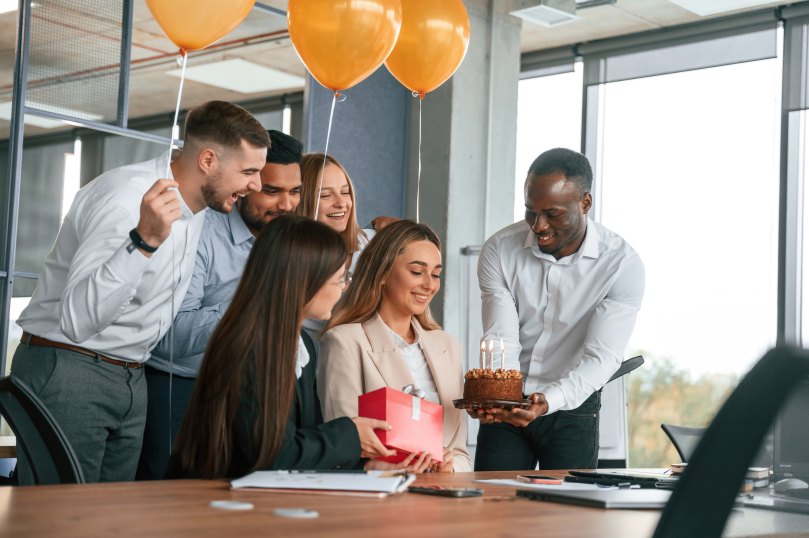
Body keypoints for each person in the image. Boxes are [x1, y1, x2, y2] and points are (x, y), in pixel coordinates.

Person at [10, 101, 270, 483]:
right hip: (69, 366)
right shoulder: (123, 198)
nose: (256, 186)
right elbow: (78, 320)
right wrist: (143, 240)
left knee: (114, 517)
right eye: (249, 171)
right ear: (209, 160)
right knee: (60, 518)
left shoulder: (201, 210)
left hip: (131, 375)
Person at [168, 215, 394, 479]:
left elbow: (303, 439)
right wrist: (350, 435)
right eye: (339, 279)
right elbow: (272, 455)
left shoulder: (300, 344)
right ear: (303, 281)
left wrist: (366, 466)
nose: (344, 289)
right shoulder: (250, 347)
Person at [136, 130, 304, 480]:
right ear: (247, 183)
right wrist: (255, 308)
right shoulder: (200, 232)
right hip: (180, 388)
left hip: (252, 393)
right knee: (167, 502)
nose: (286, 205)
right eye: (271, 191)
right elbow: (173, 338)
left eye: (295, 192)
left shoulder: (291, 239)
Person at [472, 147, 645, 471]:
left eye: (553, 214)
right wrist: (504, 395)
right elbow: (501, 337)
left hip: (573, 403)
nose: (538, 226)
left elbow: (601, 358)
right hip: (509, 399)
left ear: (585, 203)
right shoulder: (500, 249)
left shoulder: (621, 265)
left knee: (569, 514)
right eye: (530, 211)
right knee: (492, 508)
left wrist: (549, 400)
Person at [319, 220, 473, 473]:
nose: (430, 284)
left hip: (444, 495)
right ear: (382, 273)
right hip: (381, 494)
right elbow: (342, 447)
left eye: (435, 274)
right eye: (416, 272)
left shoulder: (448, 346)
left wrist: (451, 467)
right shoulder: (344, 341)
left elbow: (460, 453)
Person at [297, 153, 373, 272]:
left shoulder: (373, 243)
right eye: (326, 195)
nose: (341, 203)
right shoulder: (289, 259)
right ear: (300, 201)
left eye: (345, 192)